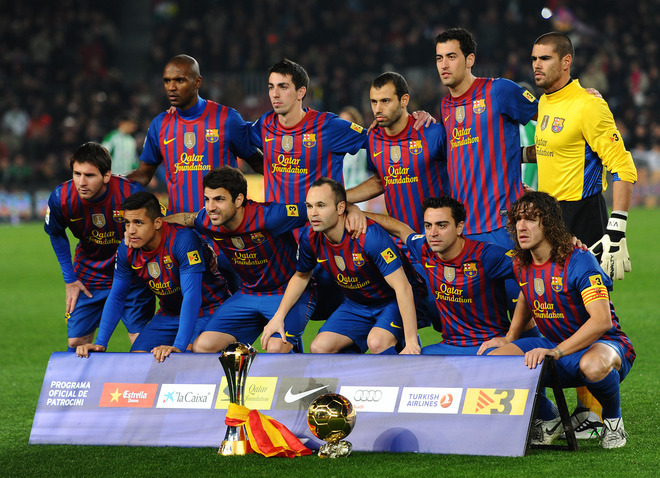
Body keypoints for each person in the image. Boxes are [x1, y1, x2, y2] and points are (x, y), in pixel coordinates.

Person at [479, 191, 635, 449]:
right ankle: (551, 419)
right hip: (555, 348)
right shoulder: (522, 263)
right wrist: (509, 337)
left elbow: (601, 322)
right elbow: (526, 295)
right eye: (518, 219)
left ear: (549, 222)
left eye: (530, 219)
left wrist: (556, 351)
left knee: (593, 366)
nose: (521, 226)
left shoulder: (579, 259)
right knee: (495, 360)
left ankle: (612, 420)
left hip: (604, 345)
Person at [261, 177, 426, 355]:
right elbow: (301, 276)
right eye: (309, 206)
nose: (313, 213)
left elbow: (403, 287)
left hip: (392, 300)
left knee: (377, 342)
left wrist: (411, 342)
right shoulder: (310, 237)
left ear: (340, 208)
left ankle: (404, 355)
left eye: (321, 206)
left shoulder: (367, 236)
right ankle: (354, 380)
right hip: (357, 304)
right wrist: (278, 317)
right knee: (319, 348)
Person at [163, 166, 316, 354]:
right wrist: (154, 225)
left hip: (287, 292)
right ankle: (241, 376)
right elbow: (186, 219)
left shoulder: (270, 216)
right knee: (203, 347)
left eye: (219, 199)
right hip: (248, 294)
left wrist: (352, 211)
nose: (210, 207)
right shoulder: (208, 220)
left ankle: (293, 365)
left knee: (276, 348)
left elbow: (318, 208)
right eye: (207, 199)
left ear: (239, 200)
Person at [365, 196, 539, 354]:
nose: (433, 233)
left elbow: (534, 274)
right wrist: (356, 213)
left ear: (459, 227)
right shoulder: (425, 249)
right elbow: (400, 229)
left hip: (487, 347)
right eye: (428, 225)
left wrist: (511, 336)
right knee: (410, 363)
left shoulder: (487, 256)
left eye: (442, 225)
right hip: (449, 346)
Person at [531, 32, 637, 281]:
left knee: (590, 308)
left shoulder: (588, 105)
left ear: (566, 61)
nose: (537, 64)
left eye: (545, 58)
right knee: (553, 306)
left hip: (581, 215)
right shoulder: (545, 102)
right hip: (548, 215)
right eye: (534, 58)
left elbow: (623, 164)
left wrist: (617, 228)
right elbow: (557, 149)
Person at [76, 191, 230, 362]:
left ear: (157, 223)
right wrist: (100, 343)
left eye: (138, 223)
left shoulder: (182, 240)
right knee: (138, 361)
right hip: (169, 314)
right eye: (127, 223)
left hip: (208, 310)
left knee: (185, 358)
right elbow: (117, 296)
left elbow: (191, 296)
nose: (131, 230)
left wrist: (178, 346)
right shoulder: (127, 248)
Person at [44, 142, 154, 351]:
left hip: (132, 275)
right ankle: (86, 384)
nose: (81, 182)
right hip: (90, 275)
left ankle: (144, 384)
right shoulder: (61, 197)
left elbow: (156, 229)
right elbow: (56, 234)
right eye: (77, 174)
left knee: (142, 343)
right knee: (76, 343)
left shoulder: (131, 193)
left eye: (90, 175)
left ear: (106, 176)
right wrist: (70, 279)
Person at [435, 27, 538, 249]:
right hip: (463, 230)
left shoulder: (498, 90)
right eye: (439, 58)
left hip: (503, 225)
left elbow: (546, 116)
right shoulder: (445, 106)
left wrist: (574, 99)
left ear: (469, 59)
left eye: (451, 57)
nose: (444, 65)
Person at [128, 54, 262, 214]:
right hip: (180, 228)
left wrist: (293, 182)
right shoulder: (159, 124)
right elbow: (143, 175)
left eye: (179, 80)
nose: (171, 87)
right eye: (167, 81)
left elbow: (256, 161)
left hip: (220, 229)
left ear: (197, 82)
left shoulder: (227, 118)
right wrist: (108, 182)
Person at [346, 72, 449, 234]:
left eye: (385, 101)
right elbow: (381, 180)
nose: (378, 109)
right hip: (400, 241)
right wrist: (338, 199)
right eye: (374, 102)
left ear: (404, 100)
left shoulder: (433, 133)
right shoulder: (373, 138)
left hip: (437, 239)